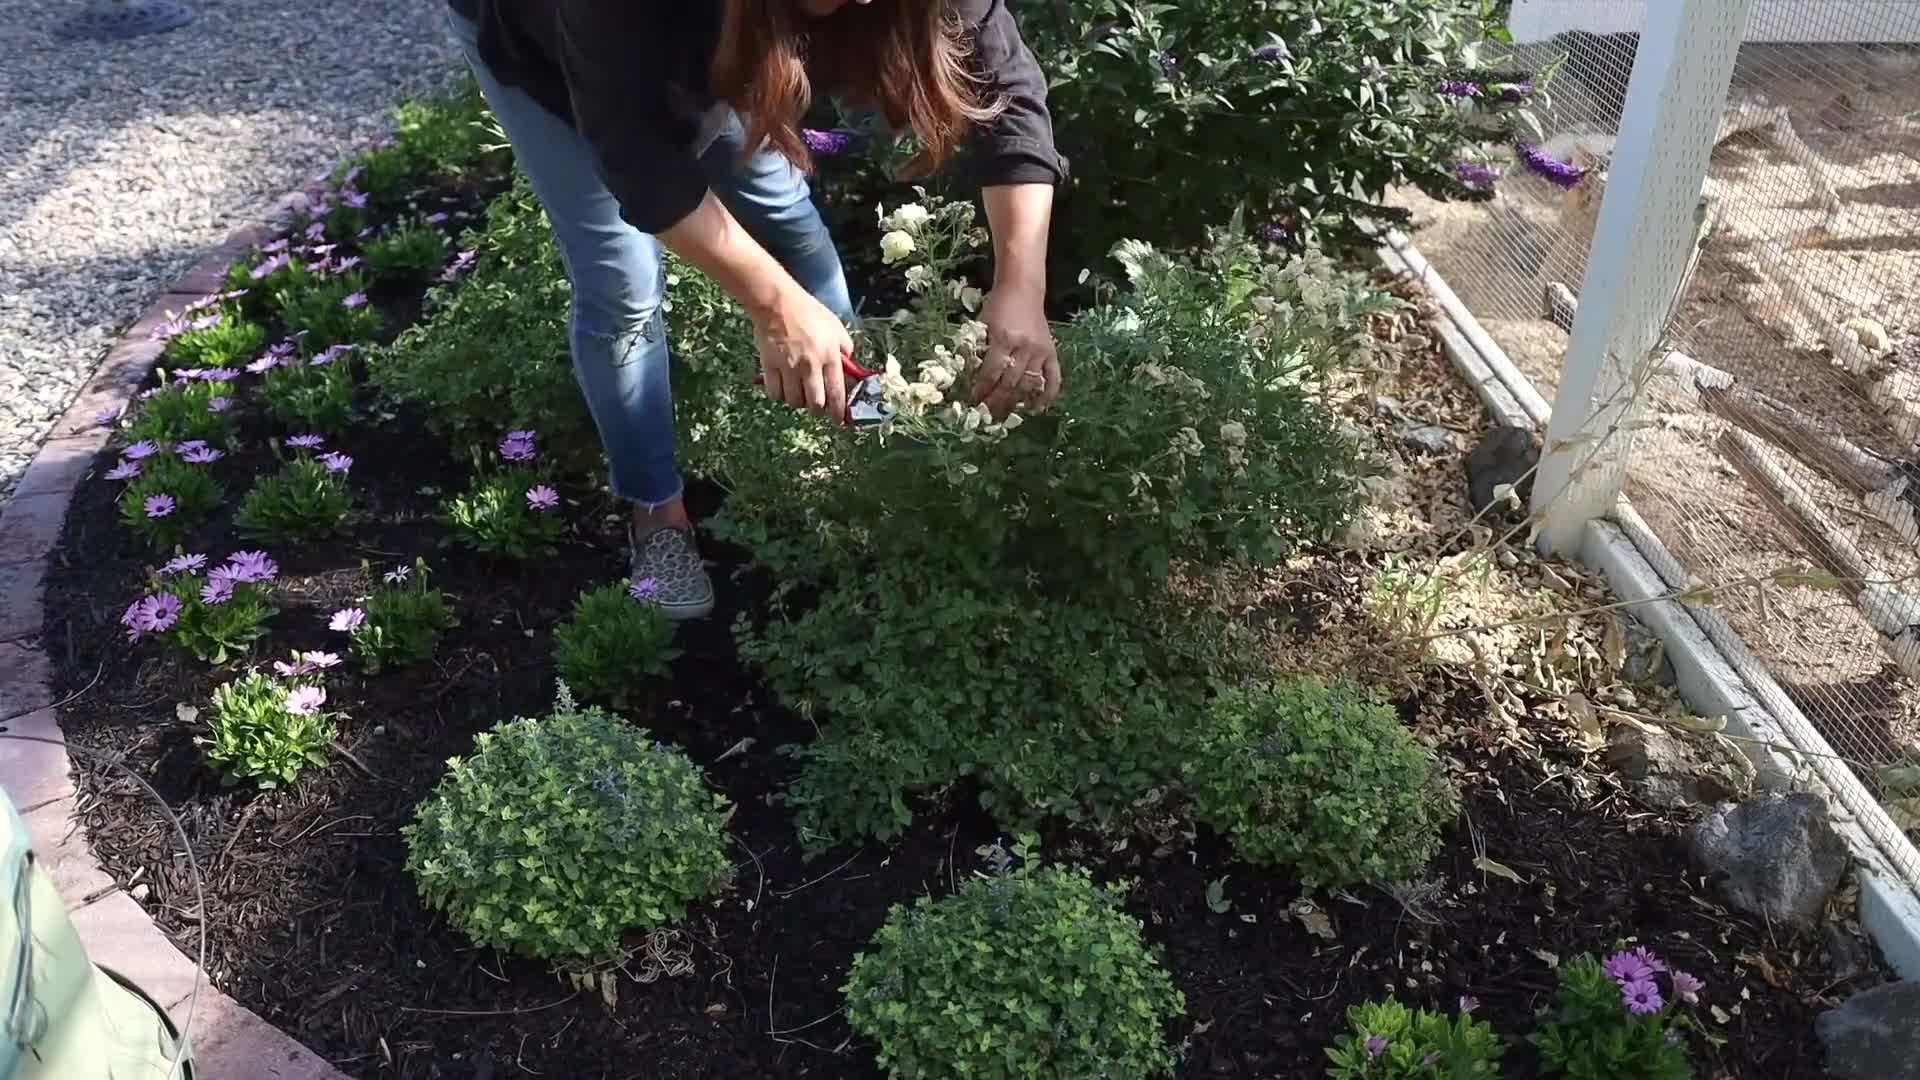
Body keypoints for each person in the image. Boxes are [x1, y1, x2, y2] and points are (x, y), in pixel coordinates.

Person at [442, 0, 1068, 620]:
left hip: (737, 32)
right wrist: (771, 302)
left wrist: (1020, 288)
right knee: (623, 283)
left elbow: (1007, 96)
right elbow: (640, 164)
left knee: (788, 223)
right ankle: (658, 515)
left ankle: (861, 433)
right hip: (550, 48)